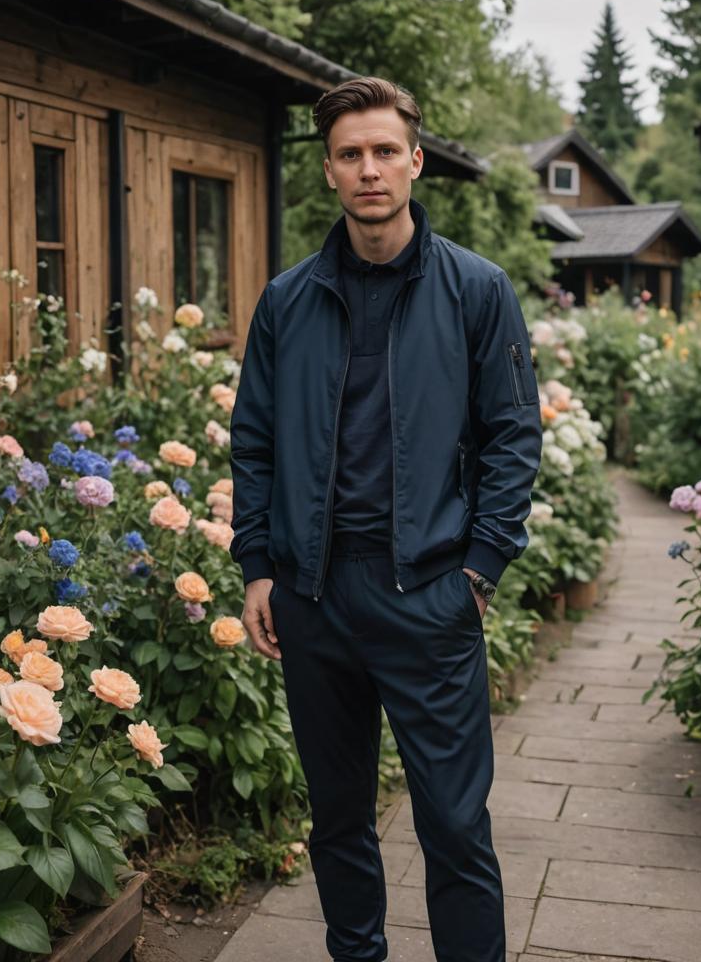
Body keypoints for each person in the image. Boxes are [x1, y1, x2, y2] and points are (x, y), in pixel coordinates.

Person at [229, 75, 542, 962]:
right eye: (349, 154)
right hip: (313, 598)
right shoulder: (287, 302)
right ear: (328, 171)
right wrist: (258, 566)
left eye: (383, 151)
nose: (369, 169)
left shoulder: (476, 291)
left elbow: (515, 436)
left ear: (415, 160)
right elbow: (253, 442)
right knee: (336, 819)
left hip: (429, 595)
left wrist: (479, 569)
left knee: (453, 825)